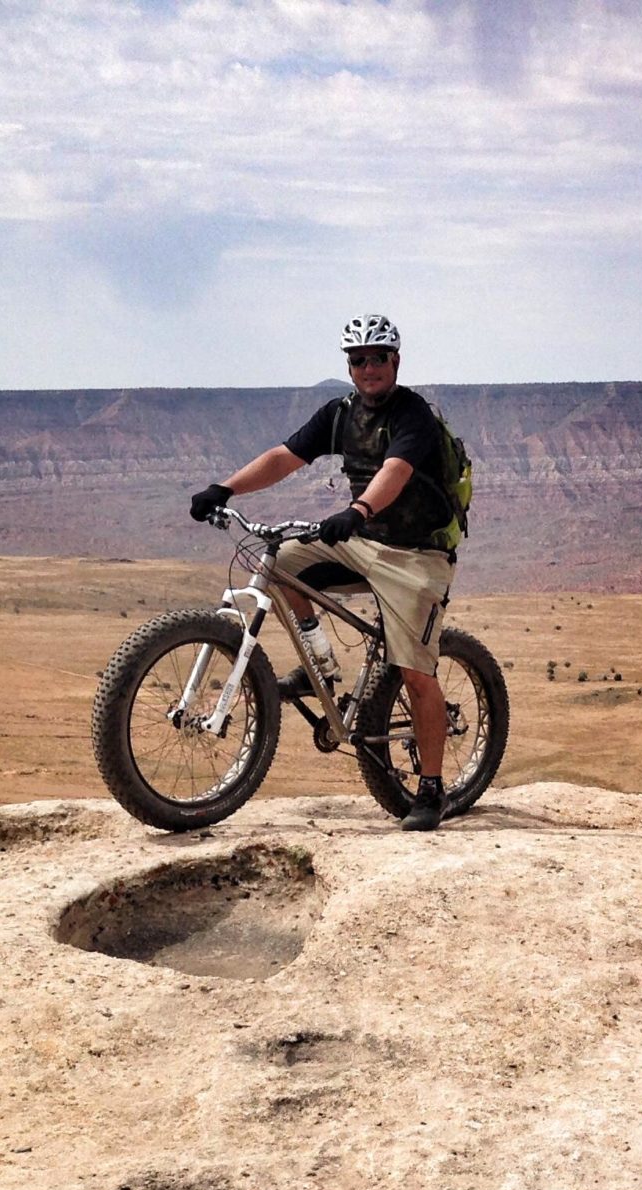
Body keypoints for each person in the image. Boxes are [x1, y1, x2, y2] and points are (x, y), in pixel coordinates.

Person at [189, 314, 463, 830]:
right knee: (283, 561)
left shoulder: (413, 415)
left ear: (395, 361)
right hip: (361, 543)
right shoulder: (340, 414)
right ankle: (323, 668)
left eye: (377, 357)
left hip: (414, 556)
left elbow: (395, 471)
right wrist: (224, 489)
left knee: (414, 672)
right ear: (349, 366)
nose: (368, 368)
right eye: (358, 360)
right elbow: (283, 457)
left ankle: (431, 788)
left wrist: (357, 511)